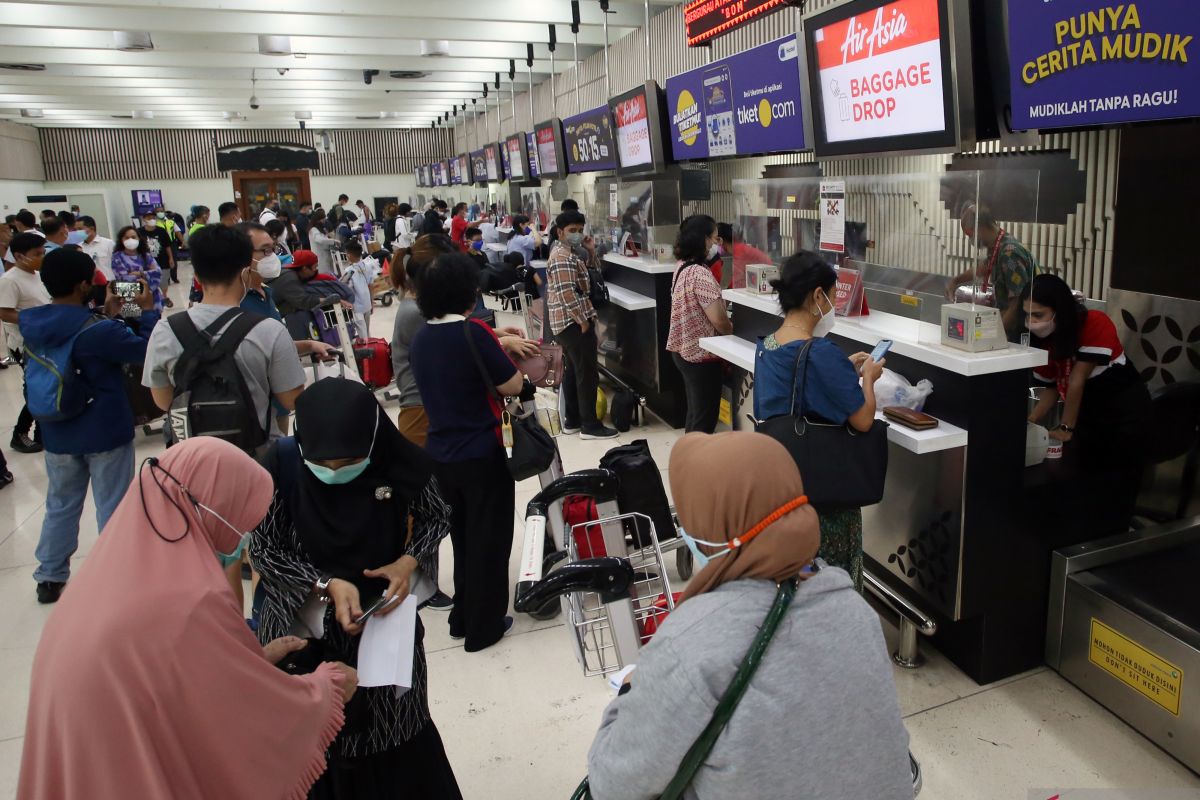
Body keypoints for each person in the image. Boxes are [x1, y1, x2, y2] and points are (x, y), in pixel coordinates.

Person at [18, 438, 358, 800]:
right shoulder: (193, 598)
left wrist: (247, 662)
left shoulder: (110, 570)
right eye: (241, 512)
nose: (246, 532)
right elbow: (239, 721)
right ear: (215, 507)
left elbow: (158, 673)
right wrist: (327, 690)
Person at [586, 432, 913, 800]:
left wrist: (627, 700)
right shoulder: (854, 609)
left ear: (714, 529)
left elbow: (613, 783)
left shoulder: (690, 646)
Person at [252, 379, 463, 798]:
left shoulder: (396, 460)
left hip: (383, 627)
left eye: (348, 461)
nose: (334, 474)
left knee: (392, 729)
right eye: (321, 463)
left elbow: (437, 515)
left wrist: (406, 563)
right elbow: (263, 550)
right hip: (300, 631)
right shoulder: (280, 468)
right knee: (314, 741)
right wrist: (325, 584)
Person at [19, 249, 159, 603]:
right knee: (112, 504)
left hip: (56, 430)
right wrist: (144, 311)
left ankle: (50, 575)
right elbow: (146, 350)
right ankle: (116, 573)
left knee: (61, 503)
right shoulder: (97, 332)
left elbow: (89, 330)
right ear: (84, 285)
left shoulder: (33, 324)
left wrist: (110, 314)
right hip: (104, 430)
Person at [410, 253, 524, 652]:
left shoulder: (422, 337)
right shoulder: (473, 333)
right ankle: (484, 626)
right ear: (467, 292)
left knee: (461, 538)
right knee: (489, 540)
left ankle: (462, 615)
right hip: (482, 451)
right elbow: (510, 386)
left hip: (441, 453)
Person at [753, 252, 887, 592]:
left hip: (783, 488)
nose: (833, 306)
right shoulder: (822, 353)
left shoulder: (766, 345)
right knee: (831, 587)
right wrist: (868, 378)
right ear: (817, 296)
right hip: (825, 497)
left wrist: (841, 368)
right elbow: (862, 420)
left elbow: (794, 387)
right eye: (831, 295)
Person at [142, 224, 306, 445]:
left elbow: (163, 401)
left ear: (197, 276)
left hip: (192, 460)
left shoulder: (165, 330)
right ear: (246, 271)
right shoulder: (269, 330)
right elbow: (291, 400)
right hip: (256, 459)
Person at [1025, 275, 1152, 512]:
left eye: (1038, 315)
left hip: (1124, 416)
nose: (1032, 322)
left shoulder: (1095, 322)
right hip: (1088, 418)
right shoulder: (1045, 342)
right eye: (1027, 315)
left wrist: (1065, 428)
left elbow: (1076, 379)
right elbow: (1051, 387)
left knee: (1117, 487)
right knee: (1085, 487)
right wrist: (1031, 421)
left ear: (1059, 311)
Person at [389, 240, 455, 612]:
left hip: (424, 411)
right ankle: (419, 583)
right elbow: (450, 343)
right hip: (419, 414)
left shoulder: (416, 308)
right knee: (426, 505)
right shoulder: (415, 313)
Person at [546, 210, 618, 440]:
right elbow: (566, 292)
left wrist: (590, 251)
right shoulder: (561, 258)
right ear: (560, 232)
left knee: (573, 371)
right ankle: (590, 426)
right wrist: (582, 321)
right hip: (572, 323)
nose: (577, 235)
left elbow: (591, 274)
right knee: (587, 373)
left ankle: (573, 420)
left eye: (579, 230)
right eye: (572, 231)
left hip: (567, 322)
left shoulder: (570, 253)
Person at [667, 216, 733, 433]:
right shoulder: (700, 274)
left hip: (684, 350)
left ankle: (687, 460)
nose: (718, 244)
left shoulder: (681, 266)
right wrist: (732, 331)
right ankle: (696, 463)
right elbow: (719, 320)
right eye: (715, 238)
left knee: (695, 414)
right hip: (702, 355)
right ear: (703, 240)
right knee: (704, 420)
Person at [947, 205, 1039, 341]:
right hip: (1006, 327)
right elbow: (980, 269)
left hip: (1019, 332)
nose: (970, 239)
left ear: (980, 227)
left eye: (969, 233)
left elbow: (1018, 303)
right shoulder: (997, 246)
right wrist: (955, 281)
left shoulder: (1009, 253)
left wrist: (990, 334)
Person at [0, 232, 51, 454]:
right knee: (34, 389)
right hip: (24, 343)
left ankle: (43, 432)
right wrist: (34, 320)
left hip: (44, 339)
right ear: (20, 256)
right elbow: (4, 312)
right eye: (36, 253)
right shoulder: (9, 281)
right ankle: (20, 433)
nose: (41, 256)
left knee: (46, 386)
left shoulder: (38, 274)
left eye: (43, 252)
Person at [112, 225, 169, 311]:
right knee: (132, 323)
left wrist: (140, 274)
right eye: (126, 238)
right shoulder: (117, 257)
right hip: (129, 304)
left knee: (153, 322)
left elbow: (158, 273)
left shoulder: (146, 255)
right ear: (121, 240)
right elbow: (123, 280)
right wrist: (147, 277)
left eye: (133, 237)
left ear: (139, 238)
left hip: (152, 302)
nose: (130, 240)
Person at [341, 239, 379, 337]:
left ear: (348, 255)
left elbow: (347, 290)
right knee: (366, 330)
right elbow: (371, 286)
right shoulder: (368, 266)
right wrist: (371, 302)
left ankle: (367, 350)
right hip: (367, 303)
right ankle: (370, 346)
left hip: (357, 307)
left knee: (362, 334)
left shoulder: (349, 271)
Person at [138, 210, 178, 288]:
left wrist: (171, 258)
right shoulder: (139, 232)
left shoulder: (161, 231)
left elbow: (167, 246)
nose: (151, 219)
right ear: (144, 219)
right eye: (149, 218)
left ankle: (164, 298)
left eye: (153, 217)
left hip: (162, 260)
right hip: (147, 262)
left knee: (163, 283)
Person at [307, 208, 338, 272]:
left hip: (325, 255)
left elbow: (324, 238)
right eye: (323, 219)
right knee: (323, 274)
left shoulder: (321, 229)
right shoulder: (313, 230)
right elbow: (320, 240)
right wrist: (333, 241)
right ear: (318, 220)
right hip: (320, 257)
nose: (324, 221)